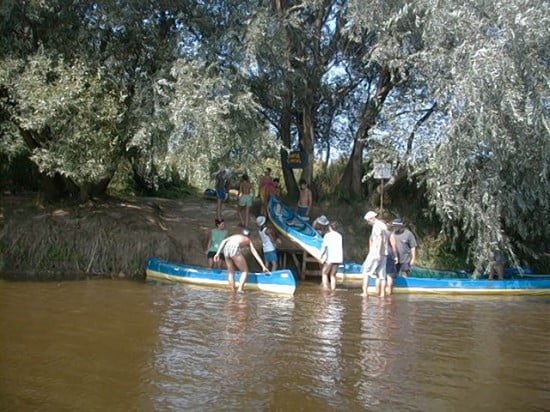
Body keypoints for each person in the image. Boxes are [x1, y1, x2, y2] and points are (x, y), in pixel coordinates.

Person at [361, 211, 389, 297]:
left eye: (368, 221)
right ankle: (382, 294)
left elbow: (379, 239)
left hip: (376, 252)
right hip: (384, 253)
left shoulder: (376, 226)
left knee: (365, 271)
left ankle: (365, 293)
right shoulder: (383, 226)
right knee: (382, 275)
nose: (368, 223)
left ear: (372, 218)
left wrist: (377, 253)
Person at [320, 219, 343, 291]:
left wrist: (321, 255)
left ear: (330, 227)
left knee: (324, 273)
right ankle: (333, 290)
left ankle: (326, 289)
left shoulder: (327, 235)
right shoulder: (339, 236)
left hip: (331, 258)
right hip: (338, 258)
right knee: (333, 275)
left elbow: (324, 247)